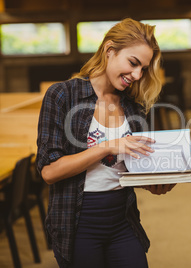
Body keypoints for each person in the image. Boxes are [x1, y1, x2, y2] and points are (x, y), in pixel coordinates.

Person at [36, 18, 175, 268]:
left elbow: (127, 170)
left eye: (143, 69)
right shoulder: (62, 95)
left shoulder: (133, 106)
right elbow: (49, 171)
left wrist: (154, 183)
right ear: (110, 50)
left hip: (123, 219)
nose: (136, 75)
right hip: (78, 223)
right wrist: (109, 146)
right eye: (133, 63)